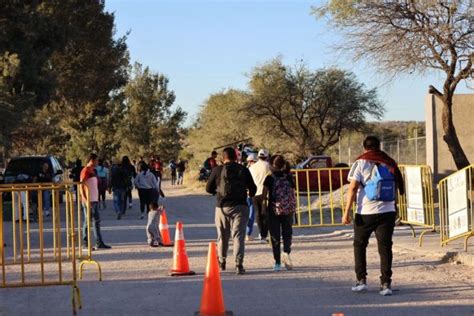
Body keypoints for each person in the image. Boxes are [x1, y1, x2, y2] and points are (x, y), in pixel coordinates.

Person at [342, 136, 404, 296]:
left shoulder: (361, 162)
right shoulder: (389, 161)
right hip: (387, 211)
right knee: (385, 247)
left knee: (360, 245)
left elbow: (353, 188)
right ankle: (386, 284)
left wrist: (346, 211)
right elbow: (398, 185)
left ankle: (361, 281)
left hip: (365, 212)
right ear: (379, 146)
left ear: (364, 148)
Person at [206, 147, 257, 275]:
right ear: (235, 156)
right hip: (240, 206)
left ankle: (222, 261)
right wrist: (248, 194)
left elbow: (208, 188)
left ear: (223, 158)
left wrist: (216, 192)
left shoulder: (217, 170)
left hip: (222, 207)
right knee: (238, 236)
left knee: (222, 236)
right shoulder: (243, 169)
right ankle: (238, 264)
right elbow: (253, 189)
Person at [262, 155, 296, 272]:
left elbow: (264, 195)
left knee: (275, 236)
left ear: (272, 165)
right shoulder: (289, 176)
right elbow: (293, 191)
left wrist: (263, 208)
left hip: (274, 210)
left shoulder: (270, 178)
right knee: (287, 233)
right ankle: (286, 252)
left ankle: (277, 262)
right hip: (288, 209)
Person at [80, 153, 111, 249]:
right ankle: (85, 244)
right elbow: (81, 185)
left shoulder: (93, 171)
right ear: (91, 160)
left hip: (94, 199)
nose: (98, 162)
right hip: (88, 200)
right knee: (87, 222)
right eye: (96, 160)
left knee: (96, 221)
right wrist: (85, 199)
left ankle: (99, 242)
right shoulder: (85, 171)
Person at [249, 149, 271, 242]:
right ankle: (264, 234)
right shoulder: (268, 166)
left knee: (258, 213)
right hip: (265, 193)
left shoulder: (252, 167)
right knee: (265, 214)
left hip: (254, 192)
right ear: (266, 156)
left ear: (258, 156)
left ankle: (261, 233)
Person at [245, 154, 258, 241]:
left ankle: (245, 233)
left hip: (246, 194)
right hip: (252, 194)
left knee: (245, 215)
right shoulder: (256, 169)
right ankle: (248, 234)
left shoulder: (247, 169)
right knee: (251, 215)